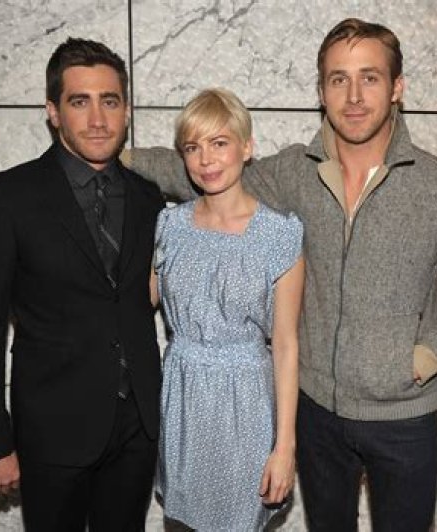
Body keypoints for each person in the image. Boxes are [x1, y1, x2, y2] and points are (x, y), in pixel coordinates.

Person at [125, 18, 437, 532]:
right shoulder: (294, 173)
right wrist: (113, 152)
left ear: (397, 87)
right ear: (321, 91)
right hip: (315, 416)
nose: (353, 96)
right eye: (338, 79)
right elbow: (205, 169)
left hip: (402, 420)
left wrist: (428, 358)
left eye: (369, 77)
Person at [0, 38, 163, 531]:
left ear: (127, 109)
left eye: (109, 101)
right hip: (52, 432)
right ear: (53, 111)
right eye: (79, 102)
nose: (98, 119)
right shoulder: (5, 199)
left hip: (138, 430)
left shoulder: (149, 197)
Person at [151, 88, 304, 530]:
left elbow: (286, 346)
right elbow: (132, 304)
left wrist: (285, 447)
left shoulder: (279, 235)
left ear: (247, 147)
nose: (206, 159)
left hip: (246, 405)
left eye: (219, 143)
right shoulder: (168, 225)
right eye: (193, 147)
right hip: (183, 401)